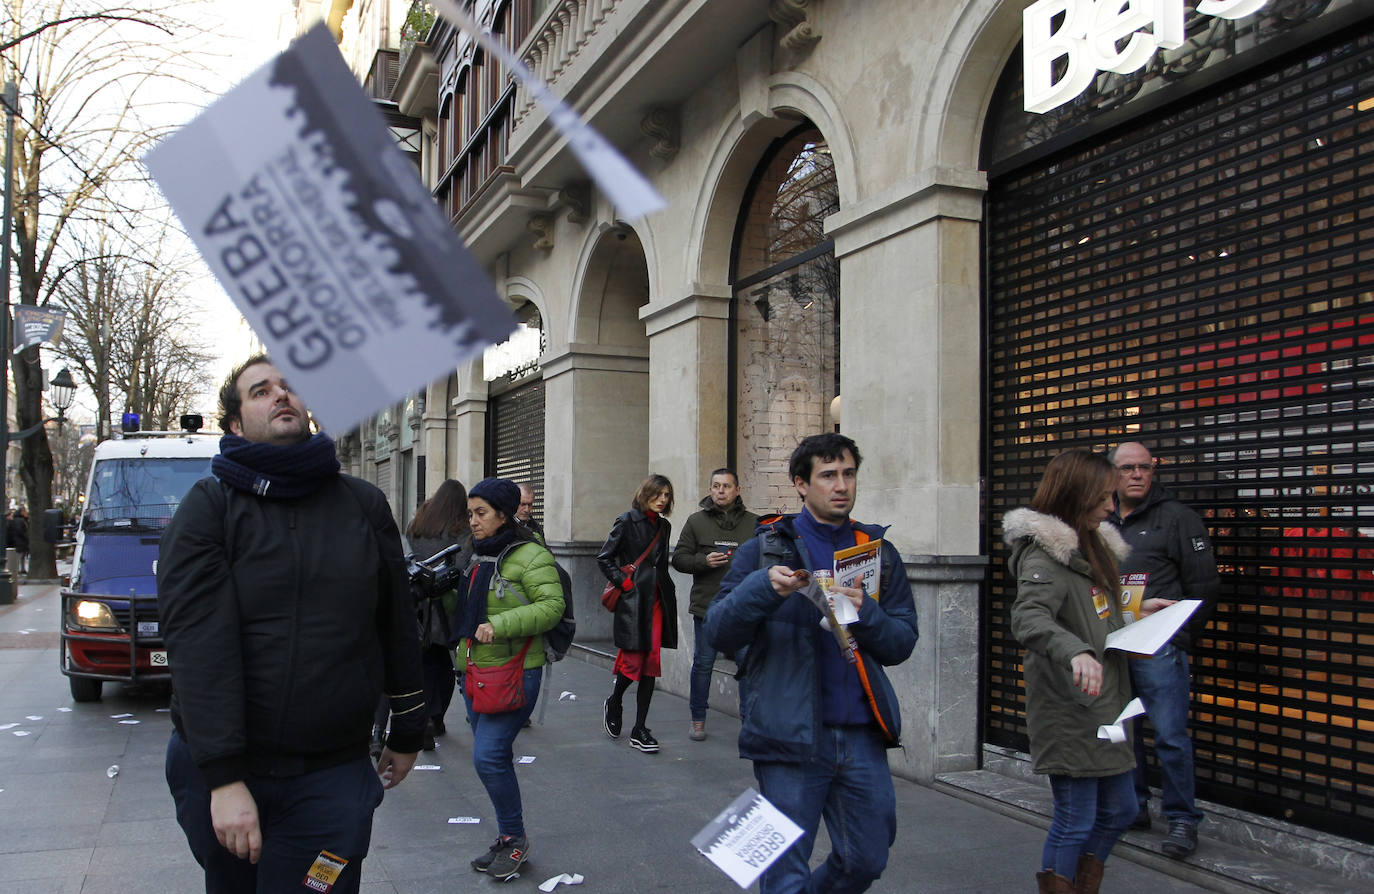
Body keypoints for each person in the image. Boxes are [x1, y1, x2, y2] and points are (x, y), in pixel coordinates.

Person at [157, 355, 425, 894]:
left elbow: (396, 622)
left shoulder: (363, 504)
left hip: (332, 777)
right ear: (235, 423)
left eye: (291, 387)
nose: (281, 395)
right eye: (260, 391)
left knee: (318, 885)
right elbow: (199, 650)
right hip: (226, 774)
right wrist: (225, 779)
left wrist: (410, 725)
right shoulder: (207, 509)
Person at [705, 433, 918, 894]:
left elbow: (901, 643)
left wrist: (866, 613)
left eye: (848, 474)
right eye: (828, 476)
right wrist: (763, 588)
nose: (841, 485)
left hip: (862, 734)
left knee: (866, 859)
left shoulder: (876, 551)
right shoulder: (763, 548)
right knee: (784, 875)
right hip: (787, 735)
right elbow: (718, 631)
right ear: (801, 485)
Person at [1006, 448, 1172, 894]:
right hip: (1070, 706)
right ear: (1076, 496)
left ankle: (1080, 884)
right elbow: (1028, 619)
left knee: (1119, 808)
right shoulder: (1045, 556)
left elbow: (1099, 614)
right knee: (1074, 819)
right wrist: (1076, 652)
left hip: (1108, 705)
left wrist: (1138, 615)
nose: (1110, 507)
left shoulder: (1095, 546)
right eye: (1102, 497)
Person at [1107, 441, 1219, 858]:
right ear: (1111, 474)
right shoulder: (1100, 521)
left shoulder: (1177, 519)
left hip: (1159, 647)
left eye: (1144, 467)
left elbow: (1204, 585)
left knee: (1170, 736)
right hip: (1116, 644)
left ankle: (1182, 820)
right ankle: (1133, 808)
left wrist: (1180, 636)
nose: (1136, 475)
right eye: (1127, 468)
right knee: (1124, 732)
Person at [453, 476, 565, 881]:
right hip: (476, 671)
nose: (474, 521)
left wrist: (500, 624)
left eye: (481, 513)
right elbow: (464, 607)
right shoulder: (473, 553)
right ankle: (507, 836)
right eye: (470, 514)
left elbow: (552, 606)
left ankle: (515, 838)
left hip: (516, 671)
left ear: (503, 513)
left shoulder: (531, 555)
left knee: (488, 756)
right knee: (491, 758)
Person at [671, 467, 757, 741]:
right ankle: (698, 719)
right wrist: (703, 561)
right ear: (710, 490)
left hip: (743, 608)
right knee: (704, 664)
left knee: (746, 665)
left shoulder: (755, 524)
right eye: (716, 486)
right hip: (707, 607)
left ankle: (750, 721)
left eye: (727, 486)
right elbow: (679, 559)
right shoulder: (696, 521)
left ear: (737, 490)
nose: (721, 491)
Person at [597, 474, 678, 753]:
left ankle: (639, 728)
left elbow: (661, 565)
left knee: (651, 664)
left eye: (667, 495)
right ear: (645, 493)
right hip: (633, 603)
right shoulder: (627, 521)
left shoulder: (664, 526)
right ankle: (615, 700)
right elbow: (605, 558)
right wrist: (625, 583)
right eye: (658, 494)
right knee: (633, 664)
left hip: (657, 602)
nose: (662, 499)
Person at [406, 479, 474, 748]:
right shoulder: (461, 527)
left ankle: (424, 715)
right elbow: (462, 565)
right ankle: (435, 716)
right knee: (444, 664)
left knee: (423, 663)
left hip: (418, 602)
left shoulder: (419, 523)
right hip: (445, 604)